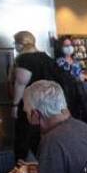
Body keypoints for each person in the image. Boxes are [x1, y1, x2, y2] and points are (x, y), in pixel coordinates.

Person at [11, 31, 58, 160]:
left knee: (23, 140)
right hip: (46, 105)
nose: (15, 46)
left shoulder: (24, 59)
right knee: (40, 139)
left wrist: (15, 106)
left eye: (15, 43)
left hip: (28, 104)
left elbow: (20, 83)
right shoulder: (46, 57)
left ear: (21, 44)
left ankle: (21, 172)